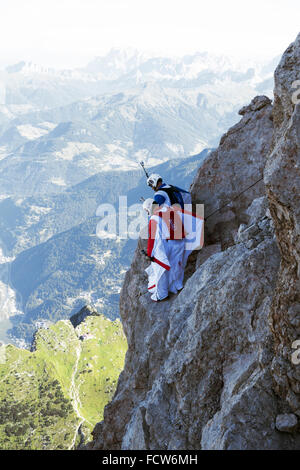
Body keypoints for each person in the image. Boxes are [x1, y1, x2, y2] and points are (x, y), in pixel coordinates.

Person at [142, 198, 186, 302]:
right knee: (176, 265)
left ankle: (162, 294)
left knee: (160, 267)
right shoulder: (168, 208)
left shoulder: (154, 219)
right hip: (180, 242)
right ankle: (177, 285)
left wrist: (149, 254)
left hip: (170, 244)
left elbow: (153, 239)